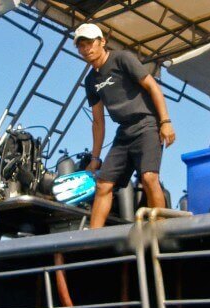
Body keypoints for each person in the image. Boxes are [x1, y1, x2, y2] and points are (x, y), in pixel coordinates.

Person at [74, 23, 176, 228]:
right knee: (103, 184)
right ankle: (93, 238)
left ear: (102, 42)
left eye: (90, 43)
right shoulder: (91, 80)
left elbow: (152, 86)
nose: (86, 49)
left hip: (147, 124)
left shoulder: (122, 59)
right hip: (124, 132)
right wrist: (95, 158)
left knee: (148, 177)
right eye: (81, 46)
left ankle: (163, 228)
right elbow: (98, 121)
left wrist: (165, 121)